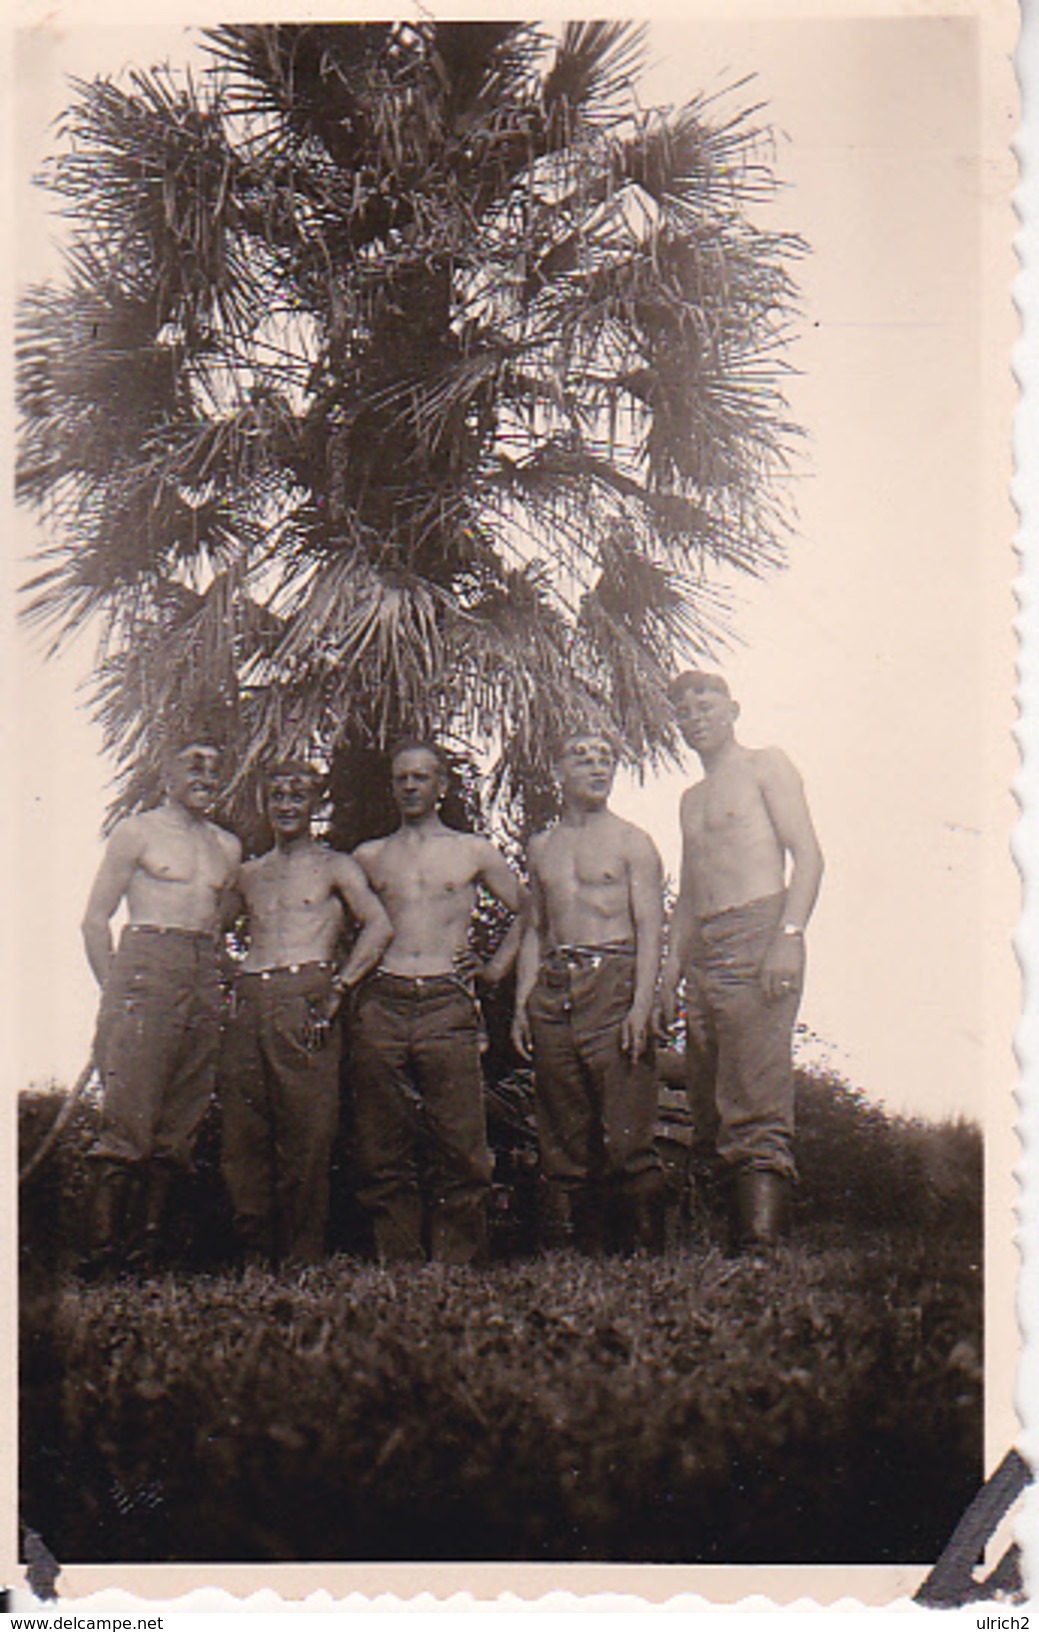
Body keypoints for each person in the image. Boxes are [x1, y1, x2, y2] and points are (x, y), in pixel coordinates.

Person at [658, 671, 824, 1251]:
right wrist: (668, 976)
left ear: (733, 708)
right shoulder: (691, 798)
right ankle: (722, 1238)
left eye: (705, 703)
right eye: (682, 708)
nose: (694, 714)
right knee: (707, 1099)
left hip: (758, 931)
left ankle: (759, 1246)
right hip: (703, 946)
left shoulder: (765, 765)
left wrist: (789, 935)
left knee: (754, 1092)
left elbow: (807, 856)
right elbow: (687, 896)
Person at [350, 741, 525, 1264]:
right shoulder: (369, 856)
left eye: (421, 777)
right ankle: (398, 1263)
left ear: (442, 786)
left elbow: (530, 910)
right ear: (392, 786)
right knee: (384, 1145)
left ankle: (457, 1265)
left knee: (460, 1142)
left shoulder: (472, 852)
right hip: (384, 997)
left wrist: (493, 969)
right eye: (402, 777)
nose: (410, 786)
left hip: (447, 999)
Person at [81, 732, 242, 1274]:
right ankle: (102, 1254)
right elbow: (95, 919)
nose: (204, 774)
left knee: (181, 1121)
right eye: (192, 762)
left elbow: (219, 926)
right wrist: (117, 992)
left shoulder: (227, 846)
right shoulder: (137, 832)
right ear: (166, 769)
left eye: (214, 765)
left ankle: (148, 1253)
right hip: (147, 964)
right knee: (128, 1119)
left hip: (201, 971)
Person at [220, 761, 392, 1266]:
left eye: (298, 796)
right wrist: (229, 976)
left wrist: (339, 986)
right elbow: (212, 931)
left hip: (307, 993)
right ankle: (255, 1256)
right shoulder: (248, 873)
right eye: (277, 795)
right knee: (244, 1136)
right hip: (251, 996)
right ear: (265, 803)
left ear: (315, 805)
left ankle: (302, 1260)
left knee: (307, 1133)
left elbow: (378, 927)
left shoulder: (336, 866)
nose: (287, 805)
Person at [512, 729, 667, 1254]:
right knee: (561, 1125)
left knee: (626, 1131)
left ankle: (644, 1256)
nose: (597, 768)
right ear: (558, 770)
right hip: (555, 986)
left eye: (605, 759)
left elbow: (651, 928)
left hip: (615, 978)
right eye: (582, 758)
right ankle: (574, 1255)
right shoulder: (542, 846)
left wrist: (641, 1005)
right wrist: (522, 1005)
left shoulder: (632, 842)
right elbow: (536, 929)